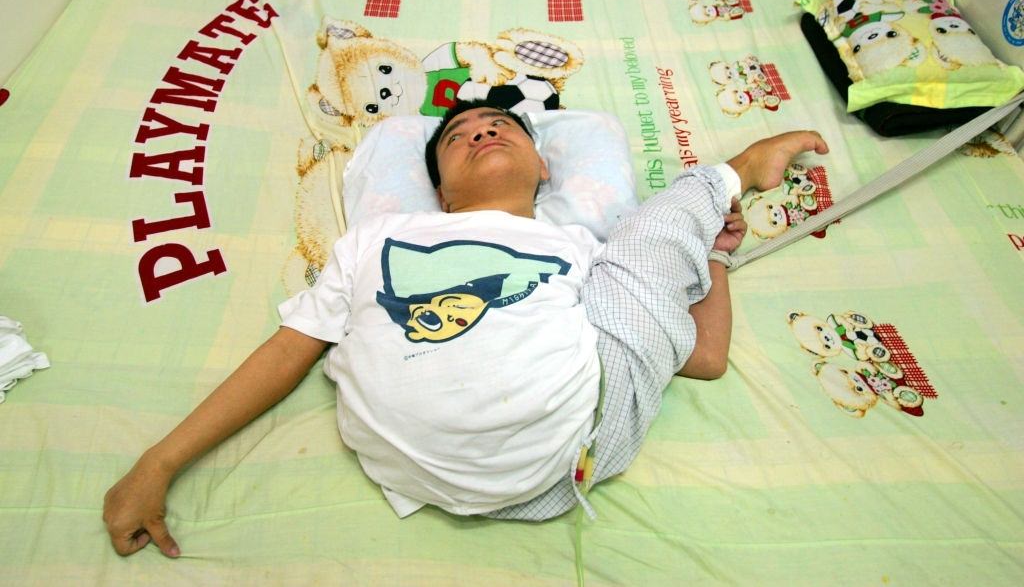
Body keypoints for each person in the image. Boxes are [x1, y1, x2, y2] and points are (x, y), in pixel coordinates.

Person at [103, 99, 828, 557]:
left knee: (641, 246)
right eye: (458, 135)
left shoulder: (578, 245)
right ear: (441, 186)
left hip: (562, 445)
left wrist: (715, 258)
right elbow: (289, 347)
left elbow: (701, 354)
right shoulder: (375, 241)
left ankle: (712, 205)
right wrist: (158, 462)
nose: (481, 130)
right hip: (414, 450)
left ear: (542, 166)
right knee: (649, 243)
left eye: (501, 125)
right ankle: (729, 173)